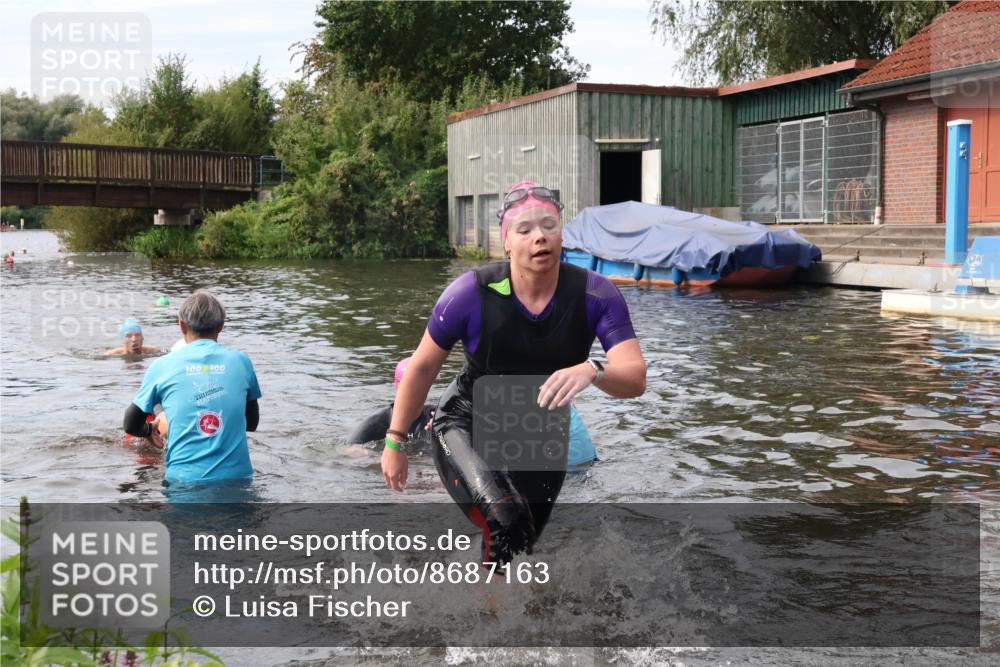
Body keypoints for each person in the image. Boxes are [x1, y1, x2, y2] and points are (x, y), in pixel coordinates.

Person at [381, 180, 646, 564]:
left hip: (542, 433)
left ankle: (491, 614)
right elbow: (421, 367)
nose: (539, 237)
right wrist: (394, 441)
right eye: (525, 229)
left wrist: (594, 371)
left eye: (549, 225)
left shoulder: (596, 295)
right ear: (506, 241)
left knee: (519, 548)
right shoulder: (469, 294)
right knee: (507, 523)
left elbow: (635, 377)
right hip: (466, 422)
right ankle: (487, 618)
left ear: (561, 232)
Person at [351, 356, 599, 465]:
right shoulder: (378, 423)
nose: (419, 395)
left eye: (422, 388)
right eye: (411, 389)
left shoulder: (435, 415)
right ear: (398, 390)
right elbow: (350, 452)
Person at [123, 290, 261, 484]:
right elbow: (252, 423)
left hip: (183, 482)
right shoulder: (241, 361)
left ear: (182, 326)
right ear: (221, 325)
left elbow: (130, 424)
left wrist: (149, 430)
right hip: (237, 479)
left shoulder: (161, 365)